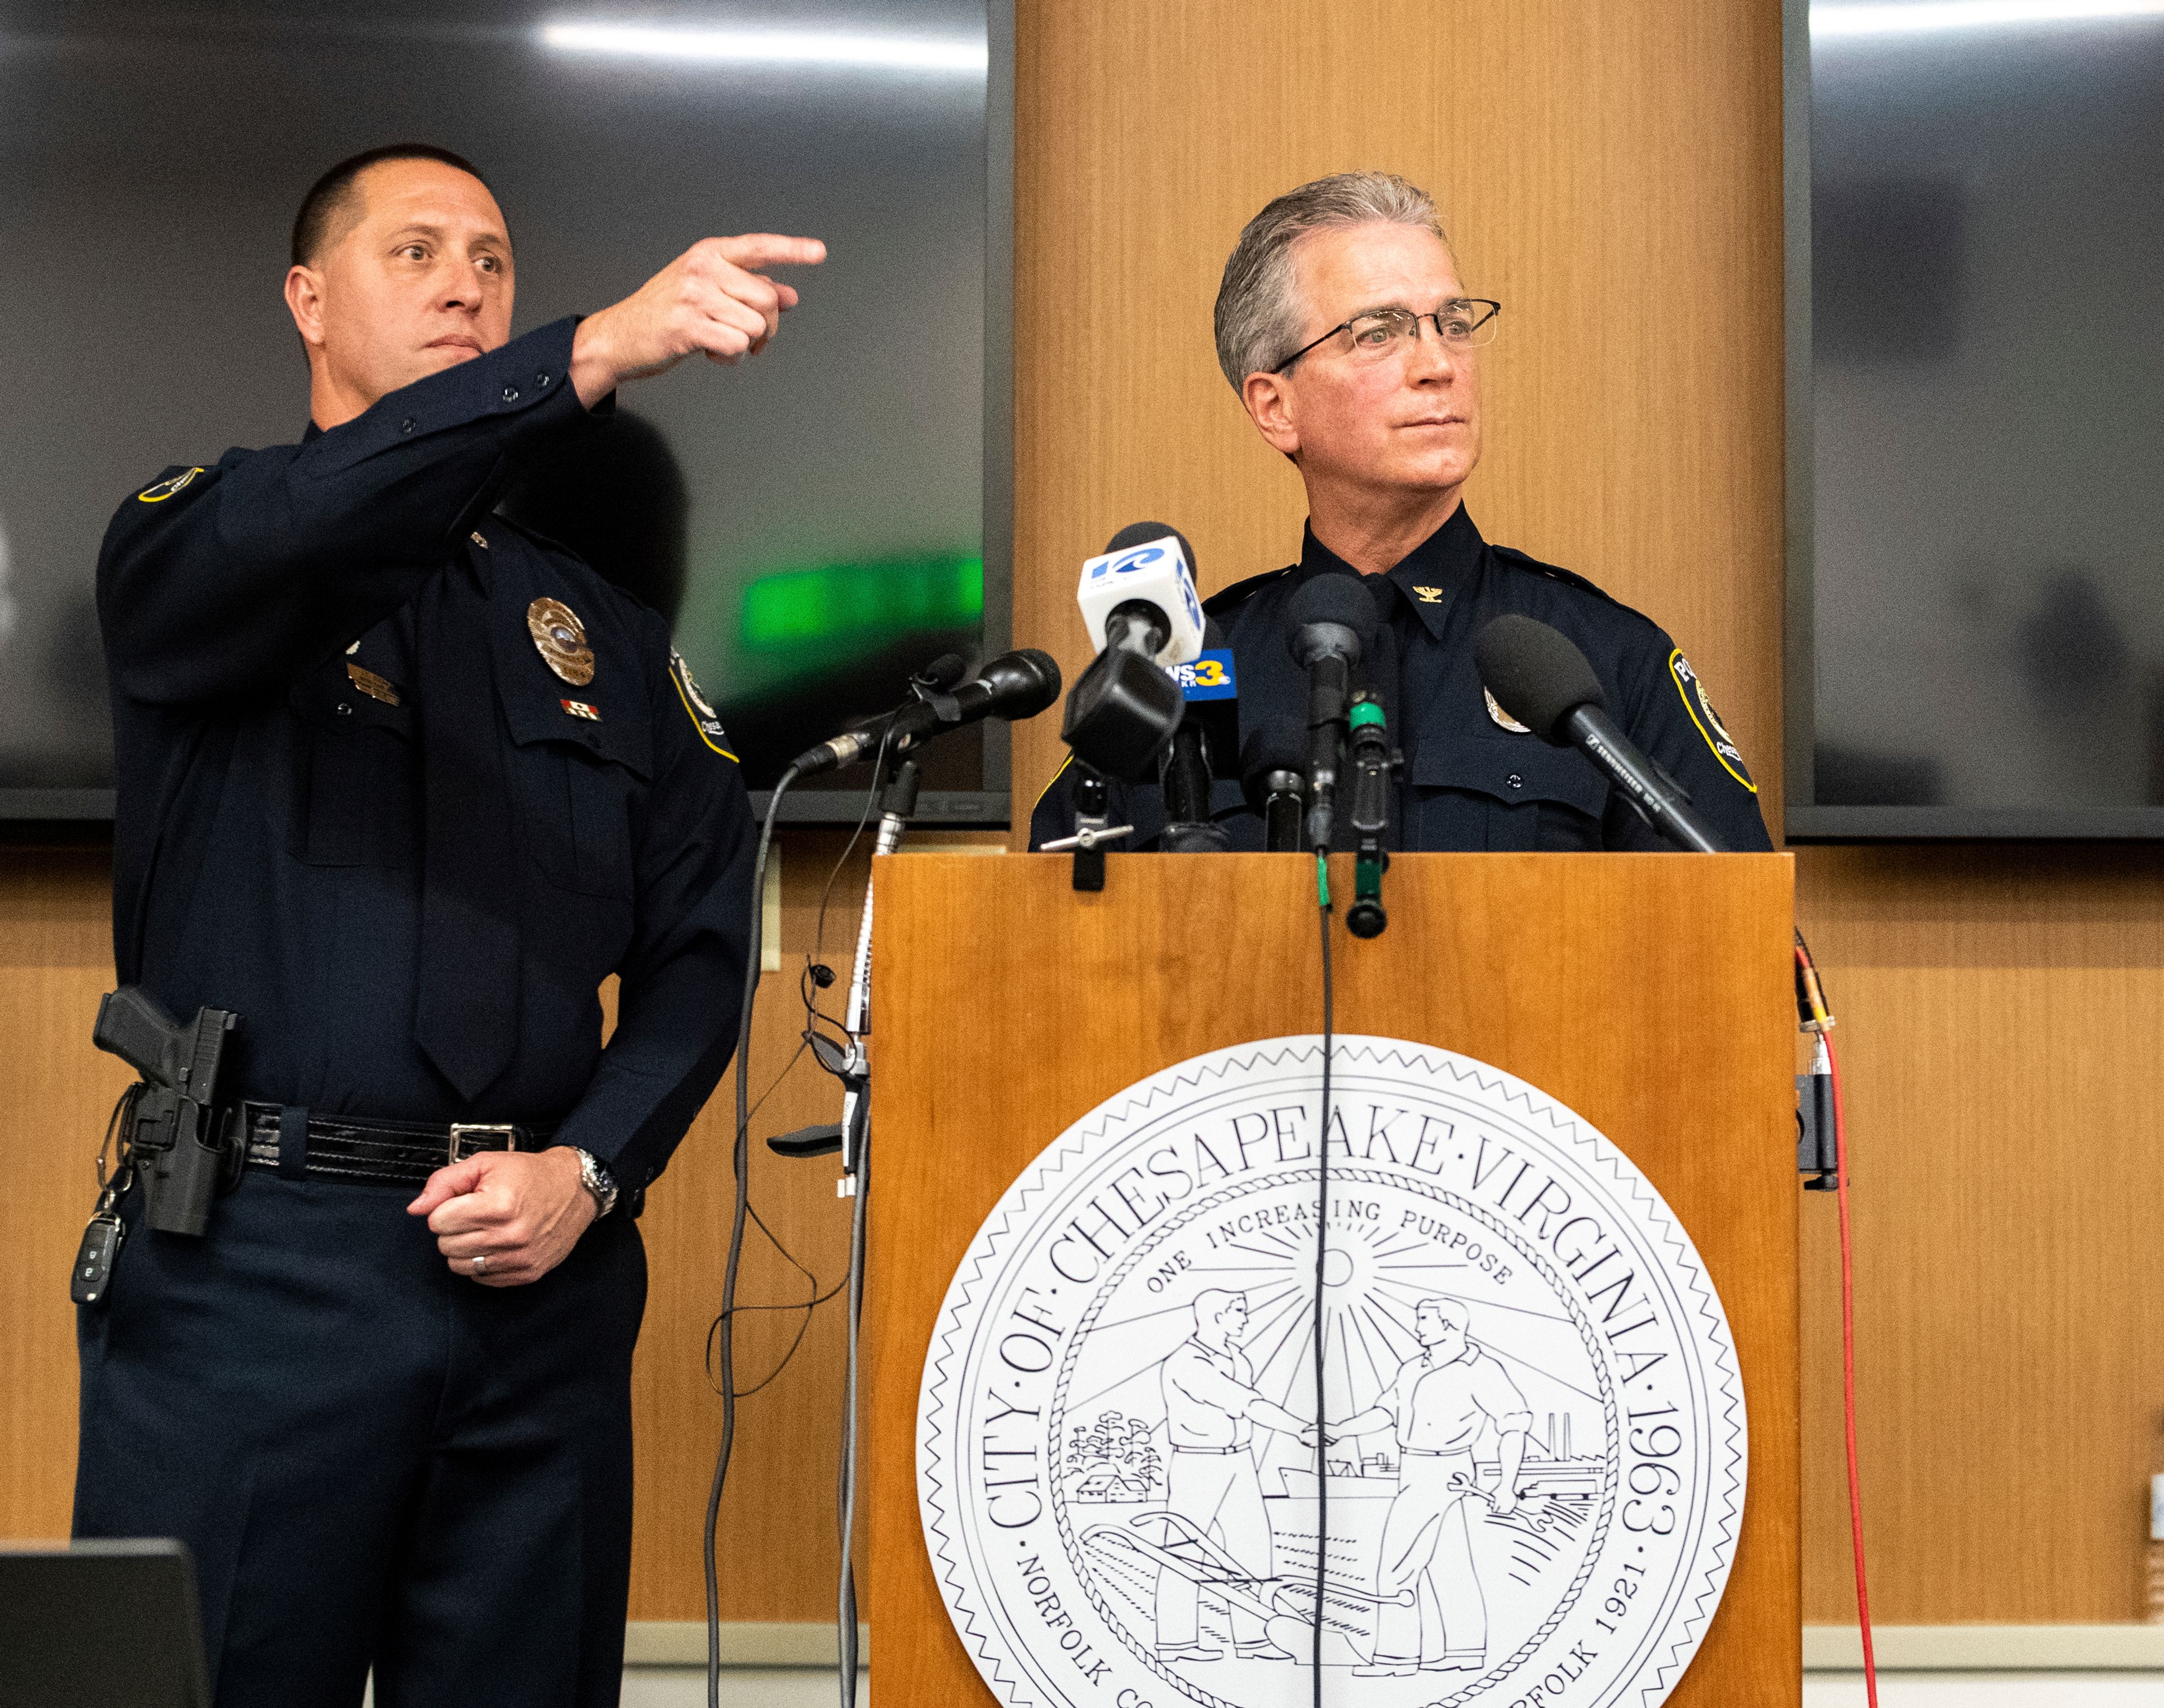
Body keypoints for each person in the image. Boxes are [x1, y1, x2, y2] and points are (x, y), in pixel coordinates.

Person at [76, 142, 823, 1707]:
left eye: (489, 257)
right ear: (307, 297)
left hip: (536, 1286)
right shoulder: (205, 534)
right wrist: (595, 350)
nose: (466, 280)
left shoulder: (598, 631)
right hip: (260, 1275)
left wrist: (595, 1164)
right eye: (414, 251)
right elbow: (313, 516)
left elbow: (699, 948)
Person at [1031, 171, 1772, 855]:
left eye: (1452, 321)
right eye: (1379, 332)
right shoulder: (1182, 675)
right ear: (1275, 406)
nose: (1439, 363)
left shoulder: (1598, 664)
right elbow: (1051, 940)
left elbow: (1734, 946)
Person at [1325, 1297, 1533, 1678]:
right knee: (1449, 1562)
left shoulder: (1481, 1369)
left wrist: (1507, 1484)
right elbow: (1386, 1412)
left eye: (1424, 1320)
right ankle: (1466, 1650)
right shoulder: (1412, 1369)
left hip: (1444, 1469)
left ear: (1450, 1325)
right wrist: (1340, 1430)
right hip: (1415, 1466)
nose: (1417, 1327)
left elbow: (1514, 1424)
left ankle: (1396, 1657)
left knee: (1396, 1566)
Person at [1153, 1289, 1314, 1663]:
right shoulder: (1188, 1362)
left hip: (1240, 1461)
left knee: (1253, 1549)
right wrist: (1300, 1428)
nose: (1245, 1318)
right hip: (1198, 1463)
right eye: (1238, 1311)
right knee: (1184, 1551)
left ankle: (1253, 1639)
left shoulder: (1238, 1357)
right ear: (1215, 1315)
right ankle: (1175, 1643)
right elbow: (1243, 1401)